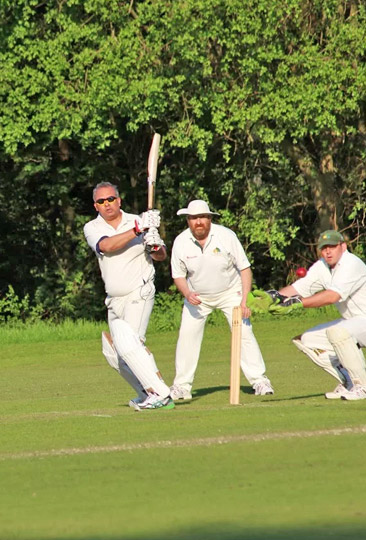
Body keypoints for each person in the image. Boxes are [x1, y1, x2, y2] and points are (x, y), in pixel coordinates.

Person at [169, 199, 274, 401]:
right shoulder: (181, 242)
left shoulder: (226, 236)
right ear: (187, 220)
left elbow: (244, 268)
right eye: (193, 218)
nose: (198, 222)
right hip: (197, 296)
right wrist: (187, 294)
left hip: (229, 292)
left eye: (202, 217)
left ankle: (259, 380)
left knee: (244, 333)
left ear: (209, 219)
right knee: (187, 337)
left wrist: (245, 301)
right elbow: (178, 275)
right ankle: (181, 386)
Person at [83, 181, 174, 410]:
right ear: (96, 206)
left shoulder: (138, 220)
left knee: (129, 342)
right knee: (114, 353)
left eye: (111, 199)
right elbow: (107, 246)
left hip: (140, 291)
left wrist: (154, 246)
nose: (107, 204)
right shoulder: (93, 228)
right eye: (101, 201)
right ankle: (146, 393)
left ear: (119, 200)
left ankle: (161, 394)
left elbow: (161, 255)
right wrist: (137, 229)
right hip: (114, 298)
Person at [265, 230, 366, 401]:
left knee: (338, 332)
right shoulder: (322, 266)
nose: (328, 251)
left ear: (343, 246)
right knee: (307, 339)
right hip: (353, 321)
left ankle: (362, 386)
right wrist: (272, 297)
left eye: (332, 247)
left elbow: (332, 296)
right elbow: (299, 287)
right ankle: (349, 381)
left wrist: (298, 303)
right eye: (324, 248)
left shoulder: (352, 264)